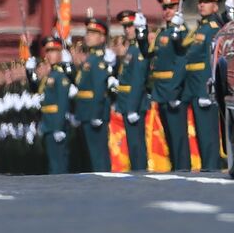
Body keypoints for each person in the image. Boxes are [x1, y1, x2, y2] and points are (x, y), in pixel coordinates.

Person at [149, 0, 190, 171]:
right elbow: (151, 56)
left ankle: (183, 169)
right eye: (165, 7)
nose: (167, 11)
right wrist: (142, 36)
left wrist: (175, 91)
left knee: (178, 135)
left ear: (178, 9)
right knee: (169, 136)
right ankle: (175, 168)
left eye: (171, 7)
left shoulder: (181, 32)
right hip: (161, 91)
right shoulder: (162, 34)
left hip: (174, 91)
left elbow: (182, 61)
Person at [184, 0, 224, 171]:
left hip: (204, 87)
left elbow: (212, 59)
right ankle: (207, 165)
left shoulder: (214, 28)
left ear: (216, 7)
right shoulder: (201, 27)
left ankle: (211, 165)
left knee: (208, 131)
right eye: (200, 2)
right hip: (194, 86)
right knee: (201, 130)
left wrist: (207, 90)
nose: (202, 5)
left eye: (207, 2)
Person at [28, 35, 72, 174]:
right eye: (47, 51)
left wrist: (59, 127)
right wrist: (29, 72)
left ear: (60, 53)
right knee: (52, 163)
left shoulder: (60, 76)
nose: (49, 55)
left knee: (59, 164)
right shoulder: (50, 76)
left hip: (56, 125)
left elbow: (62, 103)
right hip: (48, 124)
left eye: (53, 51)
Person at [73, 17, 112, 172]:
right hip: (85, 111)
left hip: (94, 112)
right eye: (88, 32)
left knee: (98, 155)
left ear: (102, 38)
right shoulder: (91, 59)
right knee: (90, 155)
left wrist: (96, 113)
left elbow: (99, 89)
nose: (88, 36)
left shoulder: (98, 60)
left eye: (93, 33)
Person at [114, 9, 151, 171]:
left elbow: (138, 80)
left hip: (134, 103)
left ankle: (140, 171)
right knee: (132, 142)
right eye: (125, 27)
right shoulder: (131, 49)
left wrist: (131, 107)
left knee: (136, 143)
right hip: (127, 101)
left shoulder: (138, 50)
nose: (127, 30)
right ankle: (137, 169)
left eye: (130, 26)